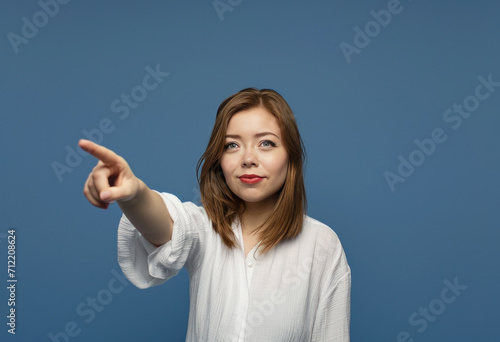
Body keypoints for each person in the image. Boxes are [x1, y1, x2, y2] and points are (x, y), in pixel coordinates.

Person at [79, 88, 351, 341]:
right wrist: (135, 194)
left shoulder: (322, 246)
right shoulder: (204, 229)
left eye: (266, 143)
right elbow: (168, 225)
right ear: (219, 160)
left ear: (290, 156)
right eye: (232, 145)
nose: (248, 158)